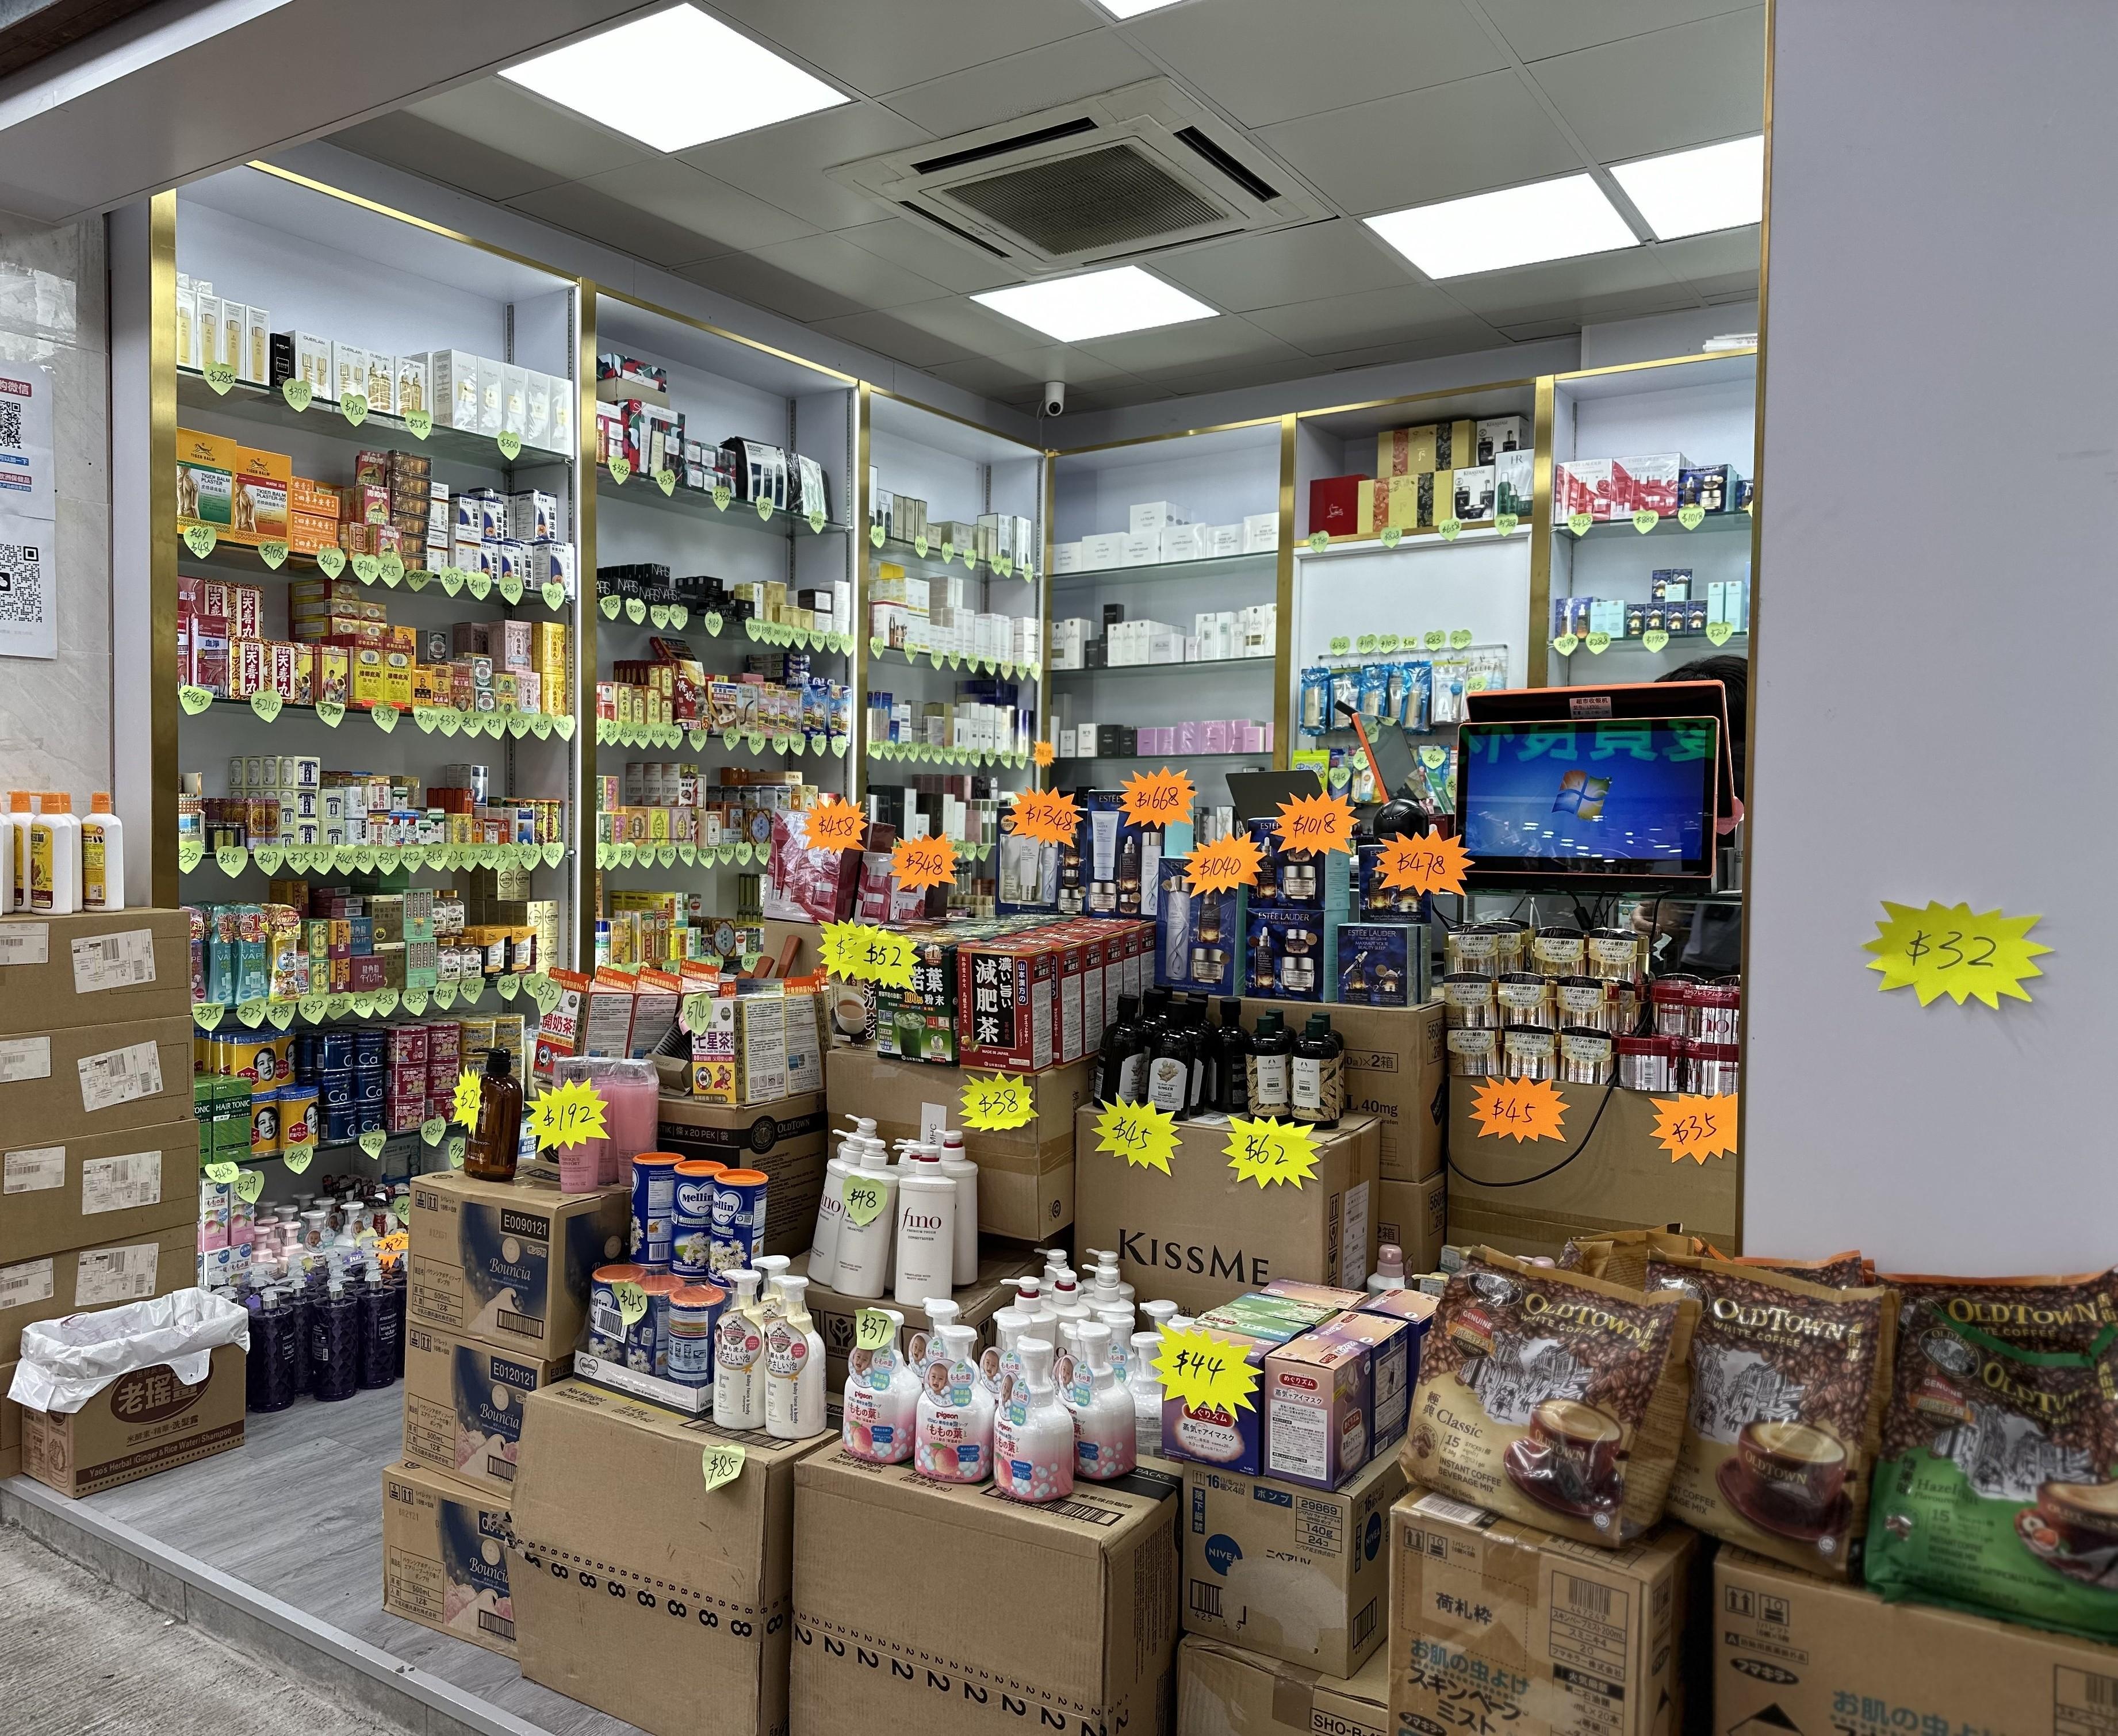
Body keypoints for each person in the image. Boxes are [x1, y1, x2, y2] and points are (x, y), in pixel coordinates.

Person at [1633, 655, 1747, 975]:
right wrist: (1660, 907)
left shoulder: (1734, 784)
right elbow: (1666, 899)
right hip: (1694, 966)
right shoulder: (1676, 796)